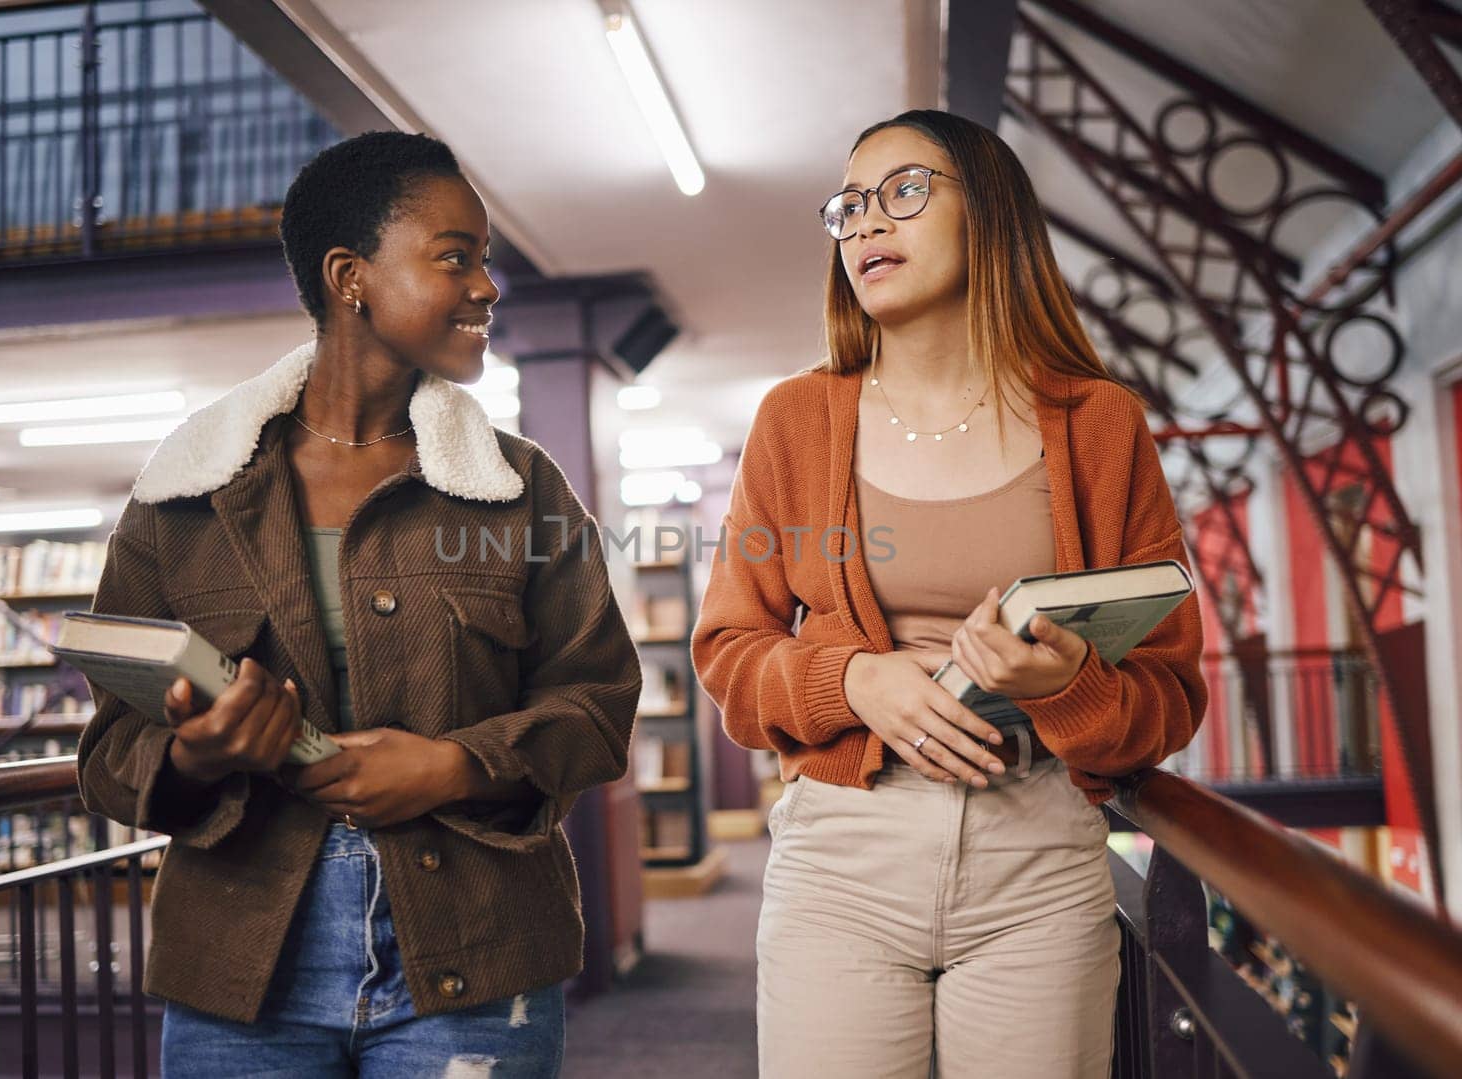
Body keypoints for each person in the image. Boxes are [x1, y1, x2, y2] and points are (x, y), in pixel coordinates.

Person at [76, 130, 641, 1078]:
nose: (487, 287)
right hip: (238, 969)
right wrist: (196, 753)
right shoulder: (185, 493)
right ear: (351, 276)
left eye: (486, 261)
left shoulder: (520, 486)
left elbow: (598, 707)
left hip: (478, 948)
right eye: (454, 258)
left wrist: (452, 766)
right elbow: (106, 753)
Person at [690, 109, 1207, 1078]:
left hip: (1039, 857)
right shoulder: (795, 418)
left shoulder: (1099, 423)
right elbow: (728, 651)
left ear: (992, 215)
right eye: (848, 205)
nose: (866, 223)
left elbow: (1169, 697)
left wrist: (1065, 687)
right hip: (843, 857)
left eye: (905, 191)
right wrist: (855, 683)